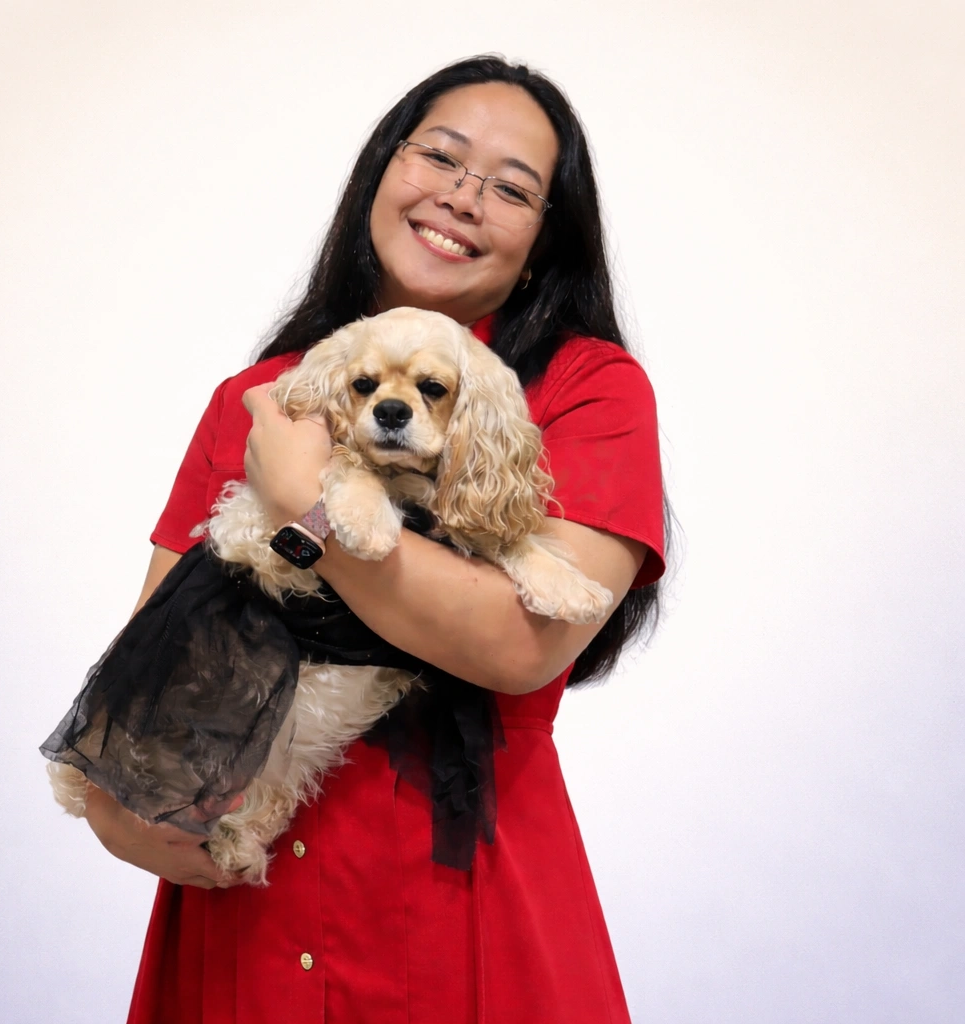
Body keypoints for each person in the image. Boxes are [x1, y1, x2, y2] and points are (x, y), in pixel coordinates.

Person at [82, 55, 667, 1024]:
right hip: (247, 897)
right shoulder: (258, 396)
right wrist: (114, 805)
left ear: (544, 239)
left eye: (511, 188)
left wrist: (306, 500)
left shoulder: (586, 390)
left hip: (462, 893)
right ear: (380, 173)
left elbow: (518, 644)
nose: (462, 196)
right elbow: (156, 658)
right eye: (440, 156)